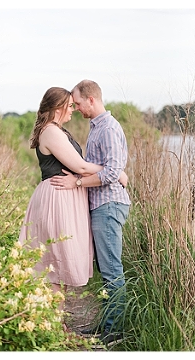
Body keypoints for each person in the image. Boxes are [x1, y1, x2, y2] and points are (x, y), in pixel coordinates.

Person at [19, 87, 122, 313]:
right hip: (57, 198)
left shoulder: (57, 130)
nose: (73, 110)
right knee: (54, 263)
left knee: (59, 262)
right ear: (58, 107)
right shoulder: (51, 132)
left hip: (65, 197)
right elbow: (80, 167)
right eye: (70, 105)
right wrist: (117, 172)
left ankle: (57, 322)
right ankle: (53, 323)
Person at [50, 79, 131, 346]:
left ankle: (115, 334)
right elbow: (109, 169)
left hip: (109, 205)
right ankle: (105, 325)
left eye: (79, 103)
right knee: (106, 269)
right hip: (101, 205)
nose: (77, 108)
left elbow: (109, 173)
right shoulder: (96, 127)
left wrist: (77, 182)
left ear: (92, 100)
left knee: (112, 271)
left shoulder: (107, 128)